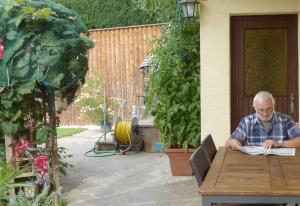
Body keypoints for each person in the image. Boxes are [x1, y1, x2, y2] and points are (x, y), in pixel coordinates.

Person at [227, 91, 300, 150]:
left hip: (281, 162)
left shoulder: (286, 120)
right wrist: (233, 142)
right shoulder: (247, 122)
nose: (265, 114)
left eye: (269, 109)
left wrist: (279, 143)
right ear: (254, 108)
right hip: (254, 163)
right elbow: (229, 142)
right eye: (261, 110)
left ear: (274, 105)